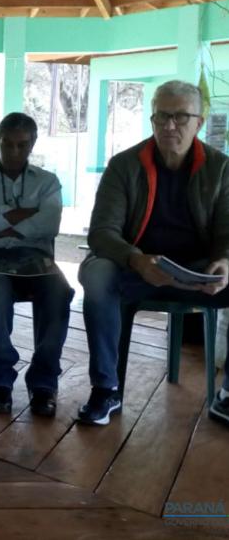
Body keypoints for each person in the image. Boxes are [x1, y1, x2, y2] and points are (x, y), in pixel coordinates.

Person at [79, 79, 229, 426]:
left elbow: (226, 232)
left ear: (199, 122)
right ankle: (106, 388)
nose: (169, 126)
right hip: (136, 270)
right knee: (97, 274)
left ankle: (227, 395)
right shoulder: (124, 165)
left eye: (179, 117)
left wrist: (223, 260)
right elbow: (102, 233)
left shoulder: (221, 168)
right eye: (161, 117)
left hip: (198, 272)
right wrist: (135, 260)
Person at [0, 112, 74, 416]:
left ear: (33, 143)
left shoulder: (48, 182)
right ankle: (0, 381)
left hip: (36, 259)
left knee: (60, 291)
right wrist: (25, 214)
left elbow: (49, 224)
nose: (14, 152)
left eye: (21, 145)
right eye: (7, 144)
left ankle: (44, 382)